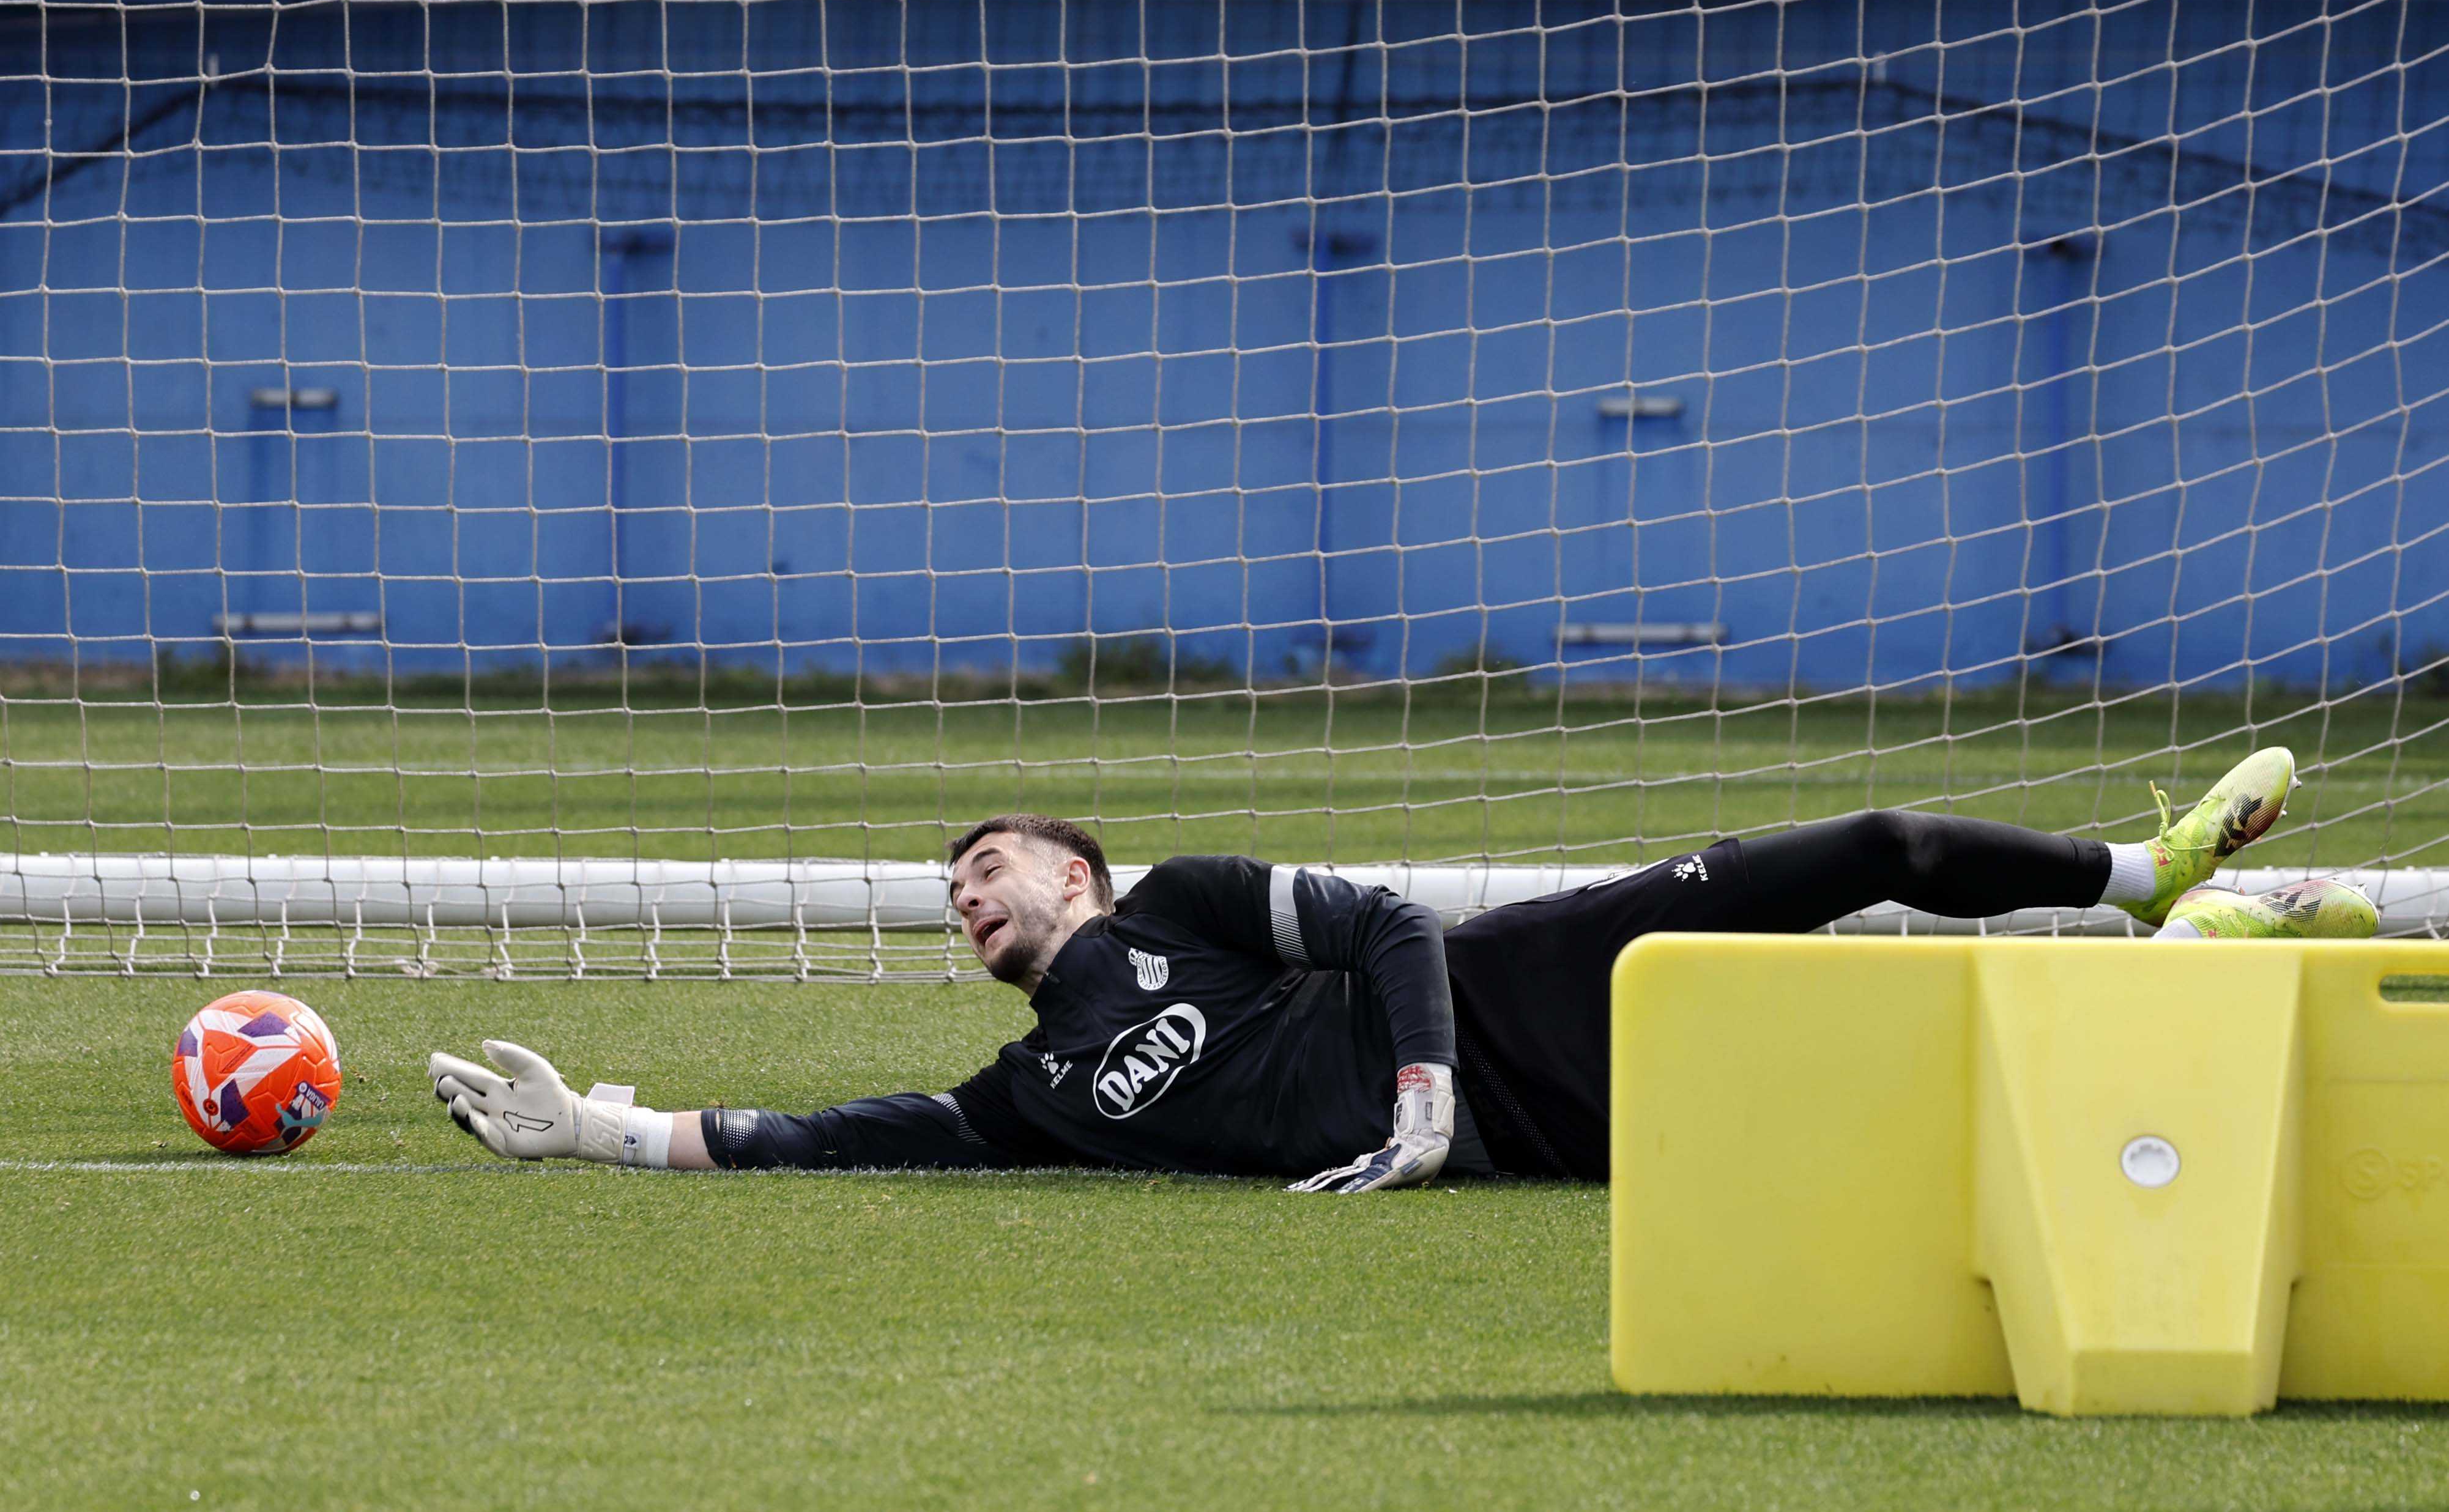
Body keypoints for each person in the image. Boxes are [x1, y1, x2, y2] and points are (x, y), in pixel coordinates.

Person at [429, 746, 2373, 1189]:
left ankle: (2147, 875)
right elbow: (824, 1135)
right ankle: (2208, 970)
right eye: (951, 896)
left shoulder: (1181, 903)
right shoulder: (1035, 1097)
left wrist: (1420, 1094)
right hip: (1554, 1137)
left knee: (1863, 852)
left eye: (987, 864)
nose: (966, 897)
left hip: (1516, 997)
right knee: (1914, 1089)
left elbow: (1386, 924)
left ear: (1074, 869)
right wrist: (603, 1130)